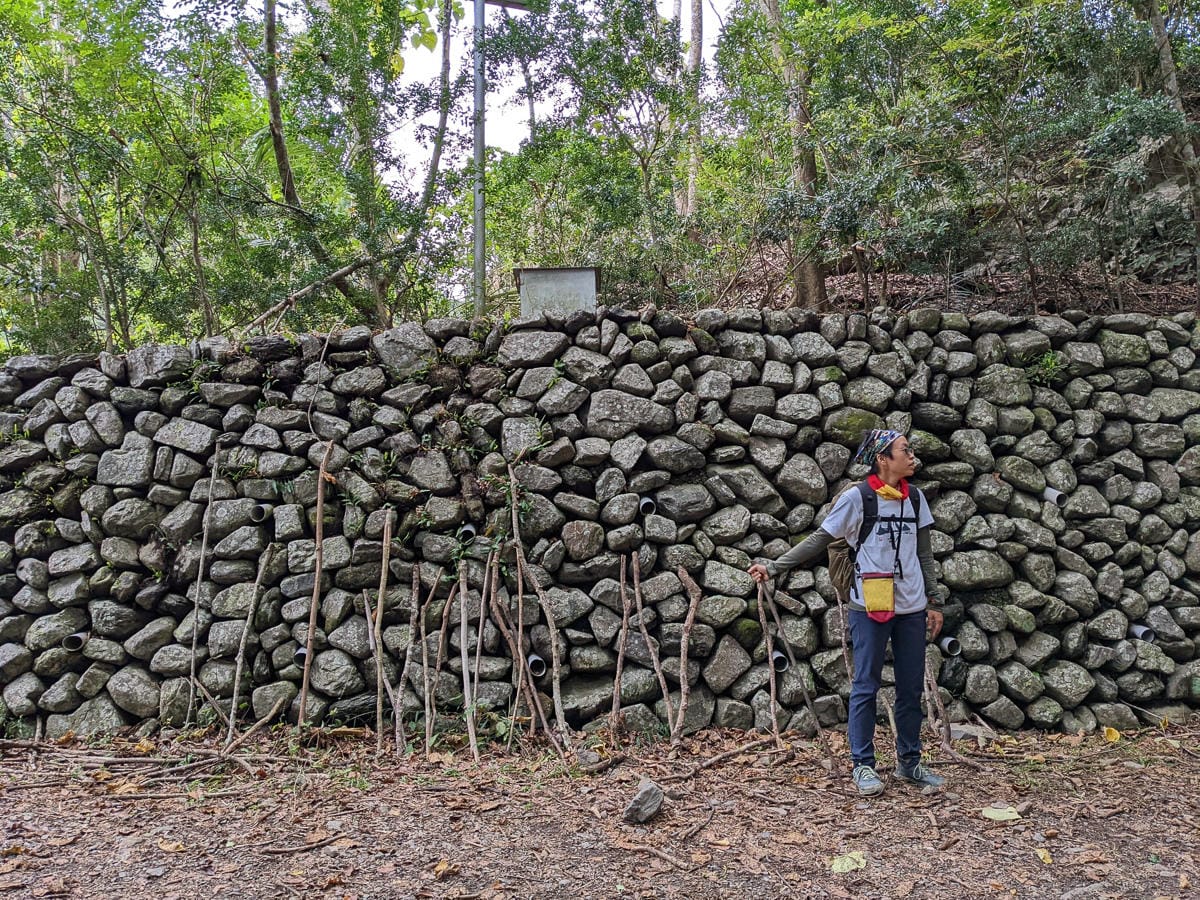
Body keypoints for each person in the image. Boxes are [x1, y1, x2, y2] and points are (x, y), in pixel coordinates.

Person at [748, 428, 946, 796]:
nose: (912, 455)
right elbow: (820, 539)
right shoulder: (858, 498)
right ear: (883, 459)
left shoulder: (916, 499)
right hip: (869, 605)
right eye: (905, 450)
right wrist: (773, 567)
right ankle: (863, 765)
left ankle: (910, 763)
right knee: (865, 686)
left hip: (912, 606)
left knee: (909, 689)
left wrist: (934, 602)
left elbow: (924, 556)